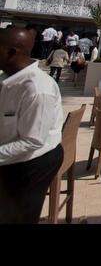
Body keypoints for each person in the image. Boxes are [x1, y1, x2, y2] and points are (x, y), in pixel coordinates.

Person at [0, 27, 65, 223]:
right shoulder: (7, 79)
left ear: (11, 52)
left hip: (33, 163)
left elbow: (32, 141)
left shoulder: (38, 90)